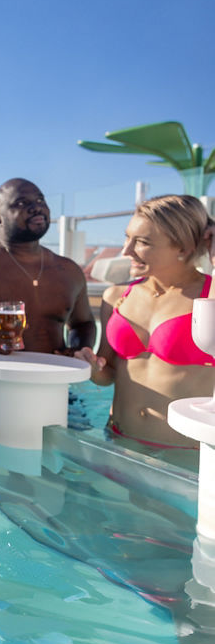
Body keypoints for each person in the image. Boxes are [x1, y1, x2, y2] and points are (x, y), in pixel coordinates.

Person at [75, 194, 215, 453]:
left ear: (182, 247)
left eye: (141, 242)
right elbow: (108, 375)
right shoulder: (116, 297)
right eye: (127, 237)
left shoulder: (211, 297)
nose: (126, 250)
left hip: (184, 458)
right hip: (118, 442)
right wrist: (92, 367)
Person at [0, 177, 96, 355]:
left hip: (55, 380)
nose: (36, 207)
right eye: (21, 203)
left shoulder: (68, 269)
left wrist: (77, 351)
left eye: (40, 200)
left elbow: (83, 323)